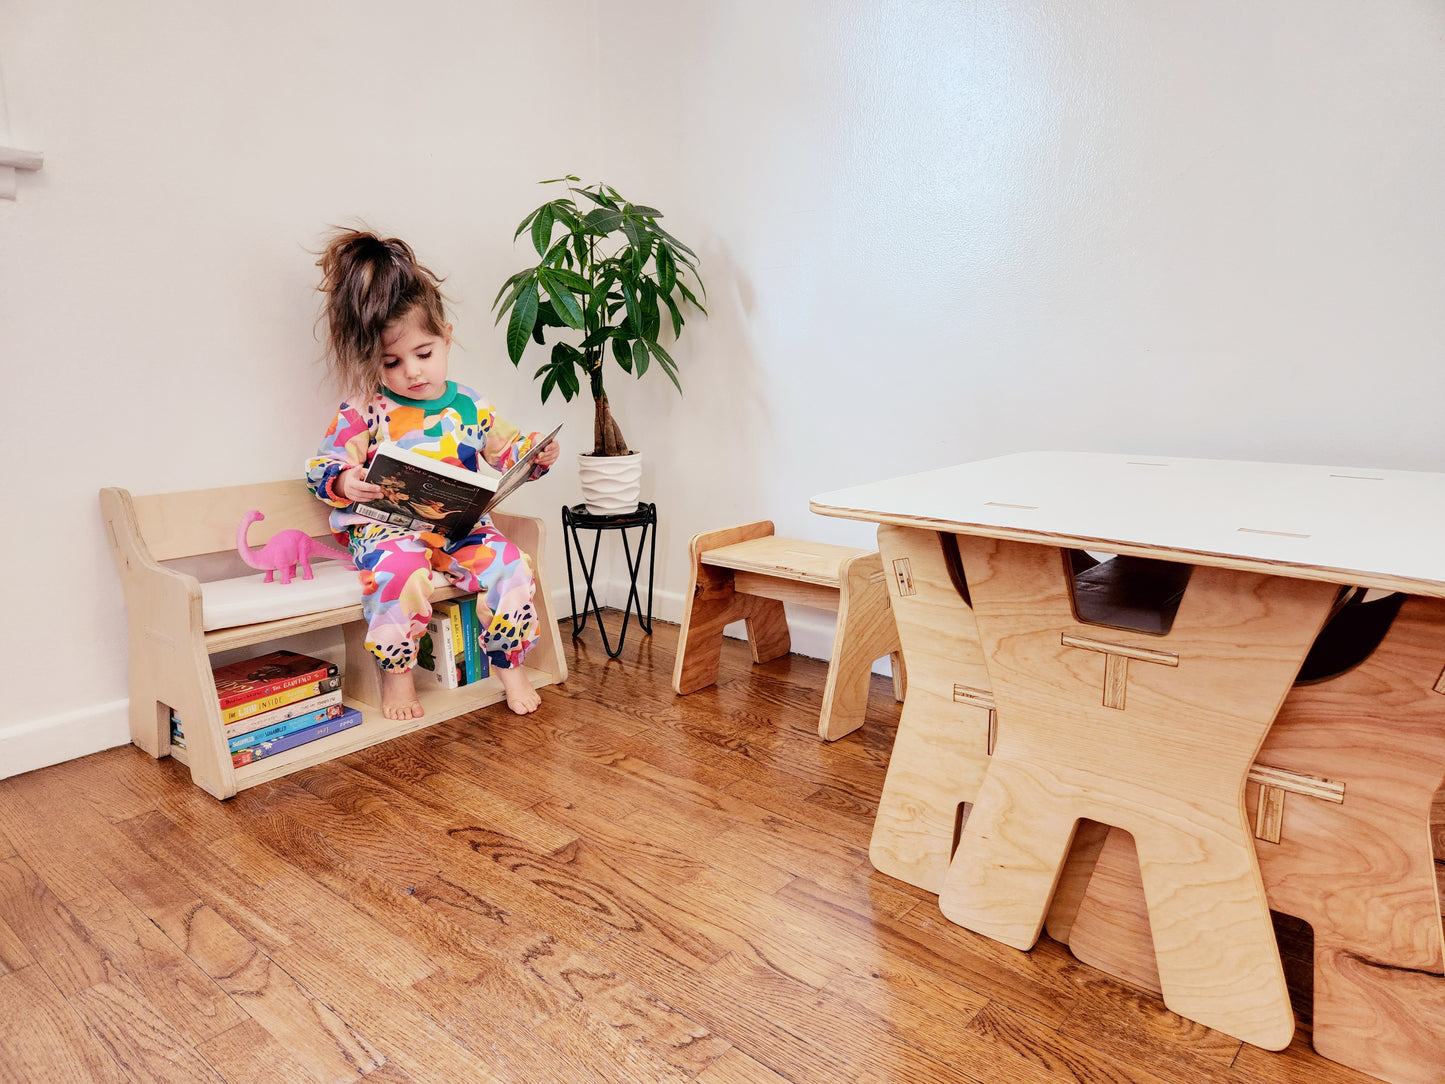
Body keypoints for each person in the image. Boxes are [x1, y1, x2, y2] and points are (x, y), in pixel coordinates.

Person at [305, 229, 560, 720]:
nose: (413, 372)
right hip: (390, 529)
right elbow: (322, 467)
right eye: (392, 362)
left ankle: (510, 665)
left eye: (424, 354)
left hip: (459, 528)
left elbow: (509, 451)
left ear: (446, 338)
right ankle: (396, 677)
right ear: (372, 362)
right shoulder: (365, 408)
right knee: (399, 576)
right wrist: (344, 481)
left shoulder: (469, 404)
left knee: (513, 566)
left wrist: (537, 455)